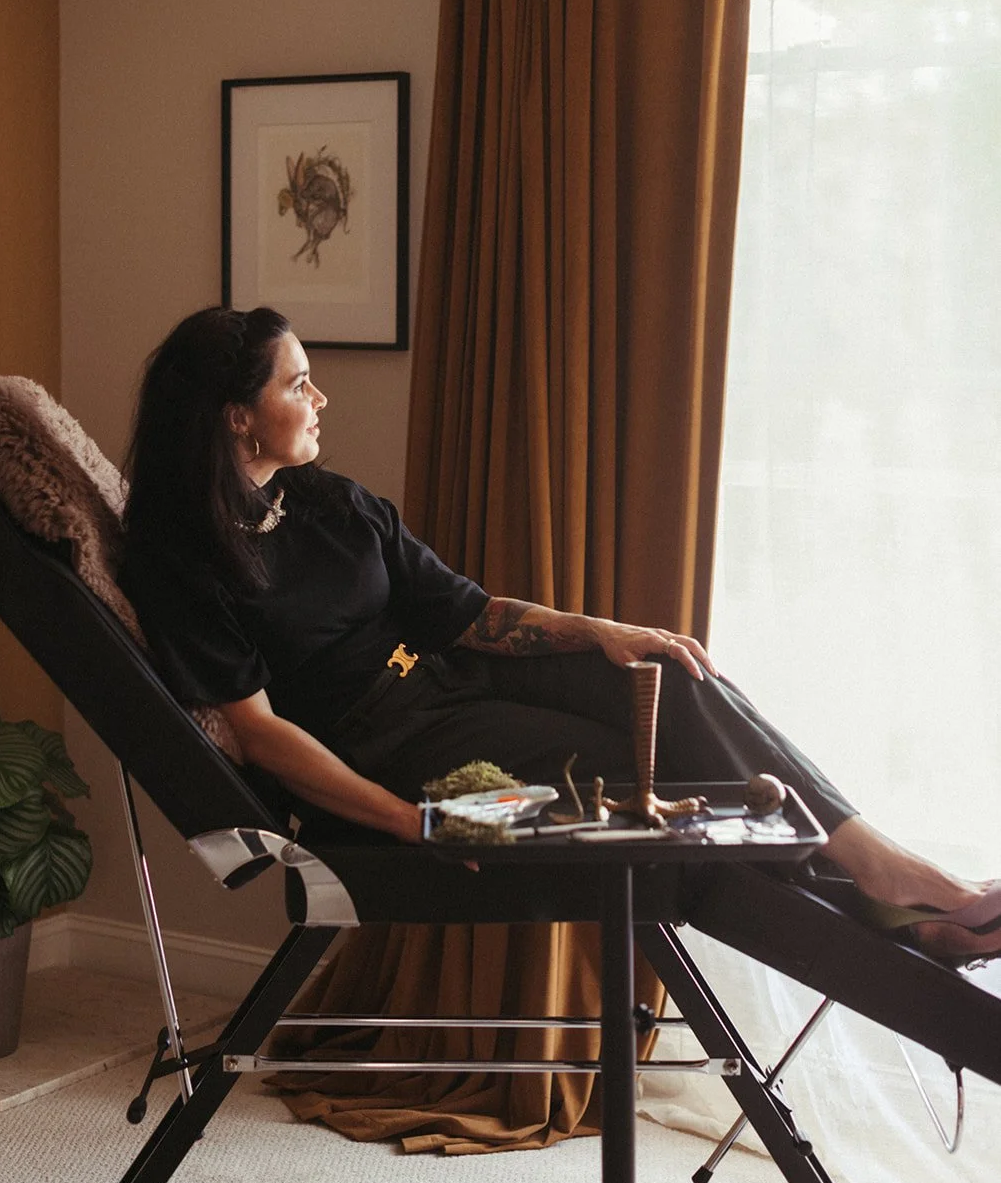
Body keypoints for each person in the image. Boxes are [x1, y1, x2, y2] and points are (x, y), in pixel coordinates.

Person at [119, 306, 1001, 966]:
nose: (319, 397)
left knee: (670, 678)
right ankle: (893, 911)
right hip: (387, 746)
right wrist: (409, 822)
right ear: (236, 415)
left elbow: (468, 613)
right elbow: (258, 732)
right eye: (296, 383)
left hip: (454, 677)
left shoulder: (327, 502)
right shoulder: (181, 559)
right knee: (639, 779)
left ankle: (881, 873)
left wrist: (603, 631)